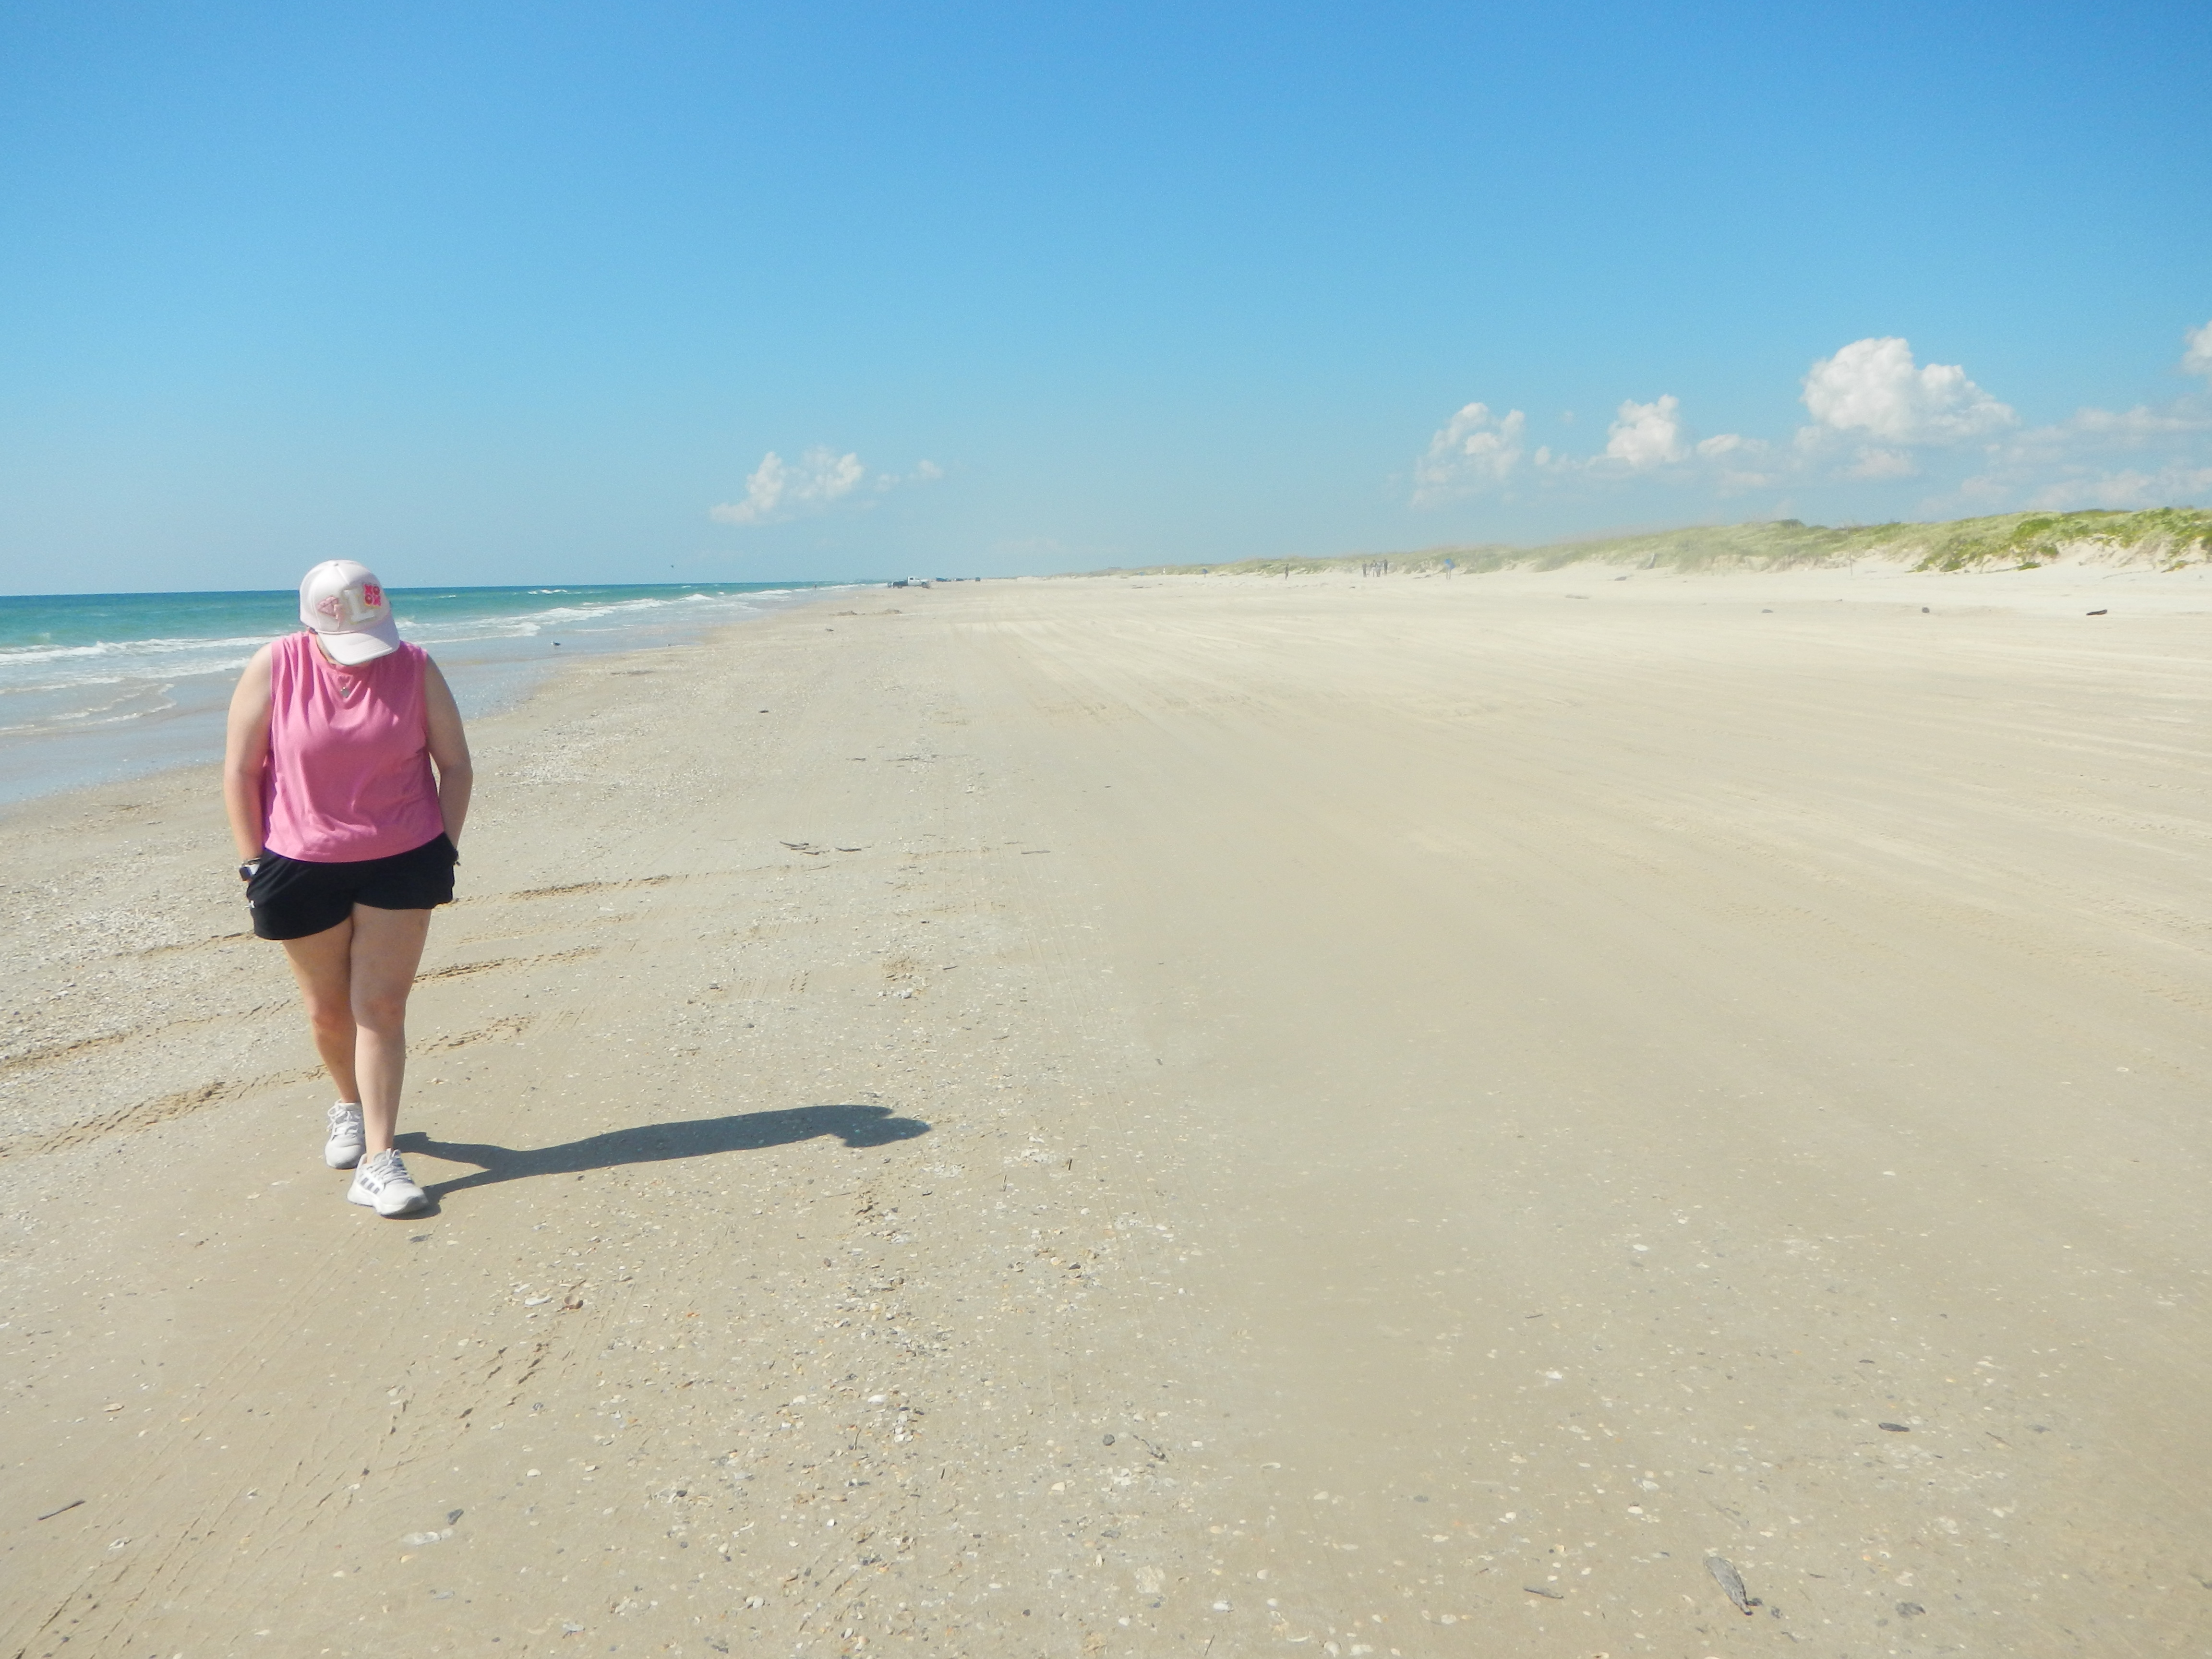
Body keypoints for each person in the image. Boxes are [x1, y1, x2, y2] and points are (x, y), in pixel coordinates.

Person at [222, 561, 473, 1217]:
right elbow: (242, 770)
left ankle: (379, 1160)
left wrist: (442, 849)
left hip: (403, 857)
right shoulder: (275, 667)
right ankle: (349, 1106)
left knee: (381, 1009)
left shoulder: (415, 666)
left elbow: (456, 765)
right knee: (328, 1012)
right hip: (300, 860)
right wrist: (252, 863)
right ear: (313, 623)